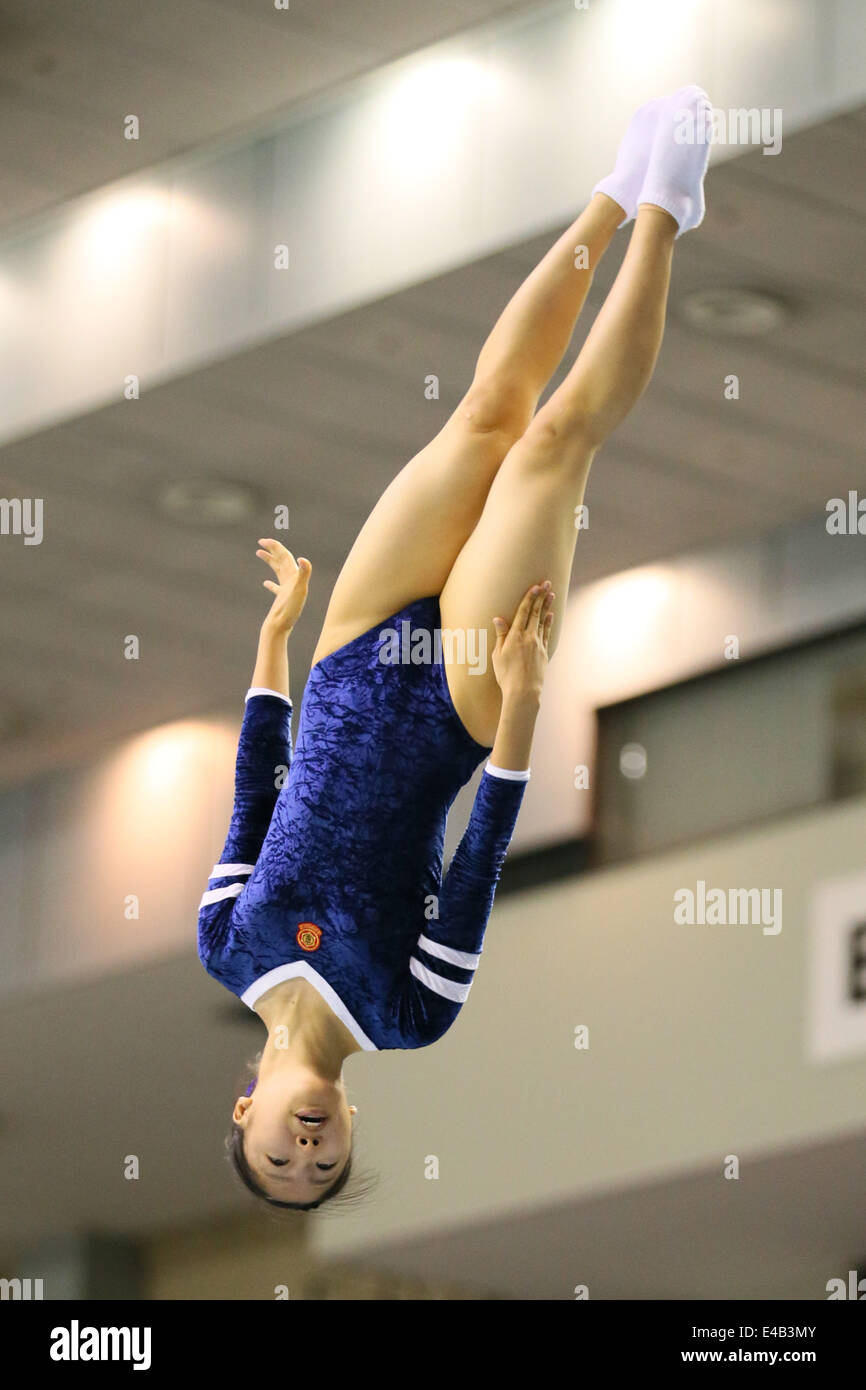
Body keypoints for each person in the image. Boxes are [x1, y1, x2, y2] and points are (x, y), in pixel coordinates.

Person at [198, 85, 713, 1209]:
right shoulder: (406, 1013)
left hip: (346, 653)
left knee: (483, 411)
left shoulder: (224, 949)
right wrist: (524, 702)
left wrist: (273, 644)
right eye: (323, 1165)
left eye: (281, 1157)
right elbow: (479, 855)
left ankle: (611, 198)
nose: (308, 1147)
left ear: (245, 1111)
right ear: (349, 1126)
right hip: (460, 704)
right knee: (548, 450)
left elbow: (254, 792)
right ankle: (671, 207)